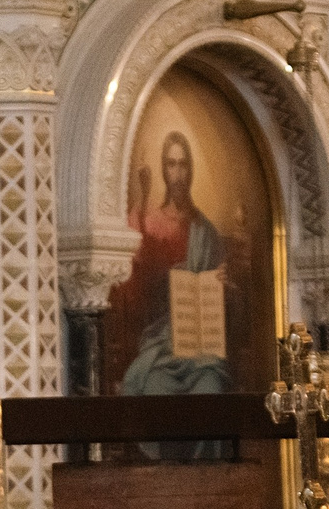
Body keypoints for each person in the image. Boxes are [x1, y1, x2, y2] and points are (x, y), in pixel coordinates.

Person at [105, 132, 245, 395]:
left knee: (211, 388)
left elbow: (231, 309)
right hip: (160, 346)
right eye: (171, 164)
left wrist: (224, 286)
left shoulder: (205, 231)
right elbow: (130, 288)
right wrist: (144, 203)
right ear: (163, 168)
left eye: (183, 165)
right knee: (154, 389)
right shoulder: (148, 218)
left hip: (202, 354)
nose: (178, 174)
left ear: (190, 170)